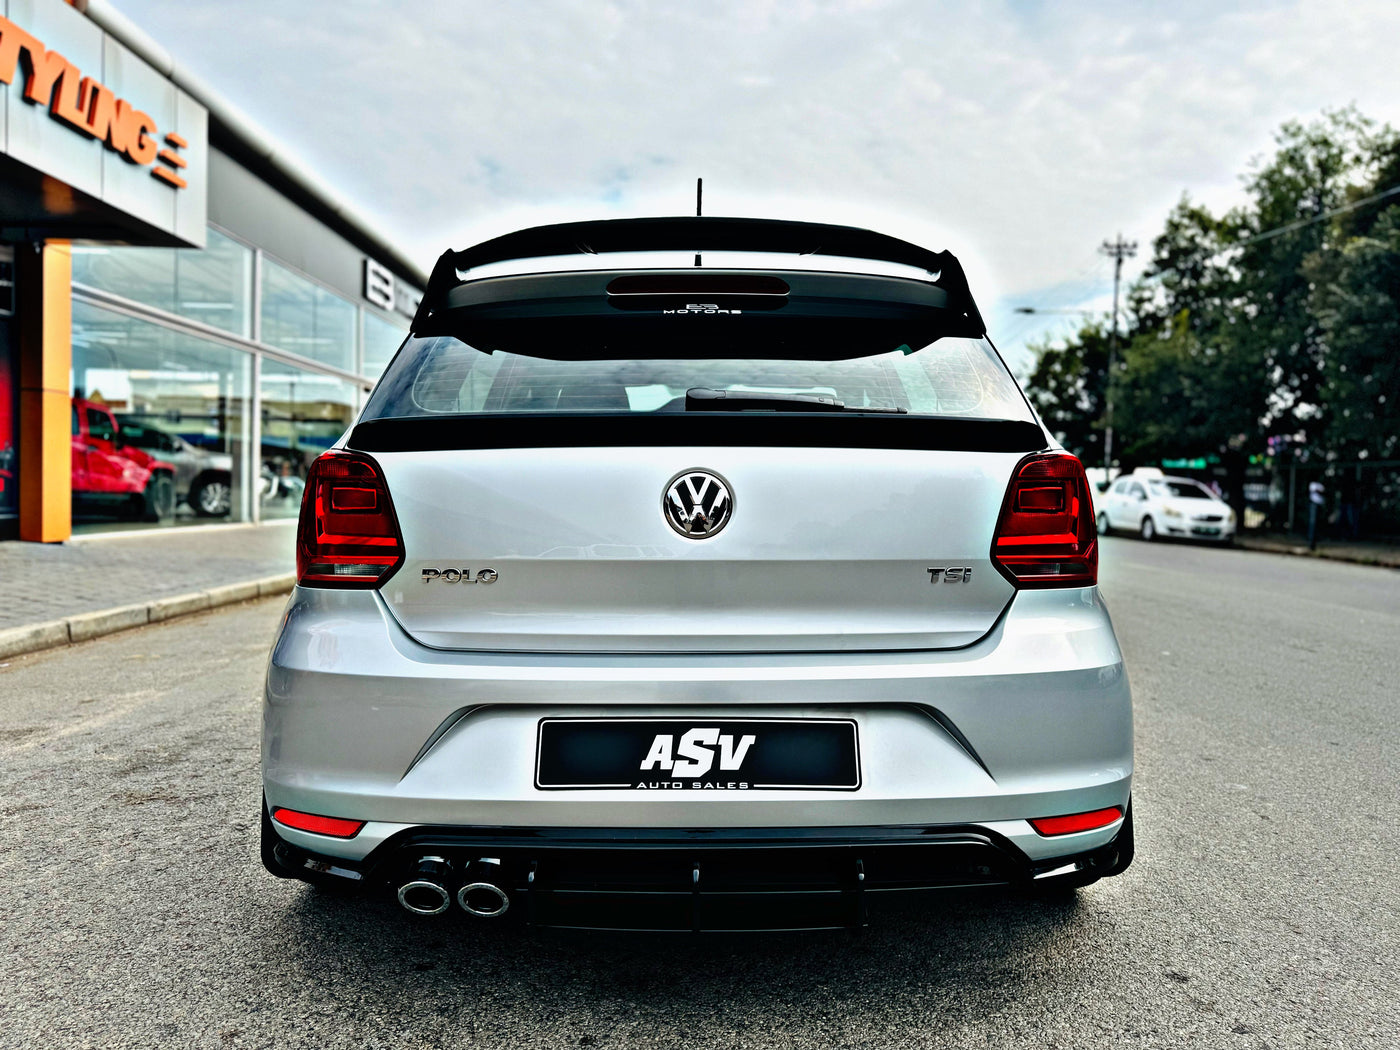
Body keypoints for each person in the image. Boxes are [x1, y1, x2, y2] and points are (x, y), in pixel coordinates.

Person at [1307, 478, 1326, 550]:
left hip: (1320, 505)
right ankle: (1311, 541)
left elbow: (1322, 491)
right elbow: (1316, 490)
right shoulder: (1313, 484)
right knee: (1313, 522)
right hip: (1314, 505)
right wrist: (1319, 490)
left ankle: (1315, 540)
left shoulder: (1320, 485)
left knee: (1318, 523)